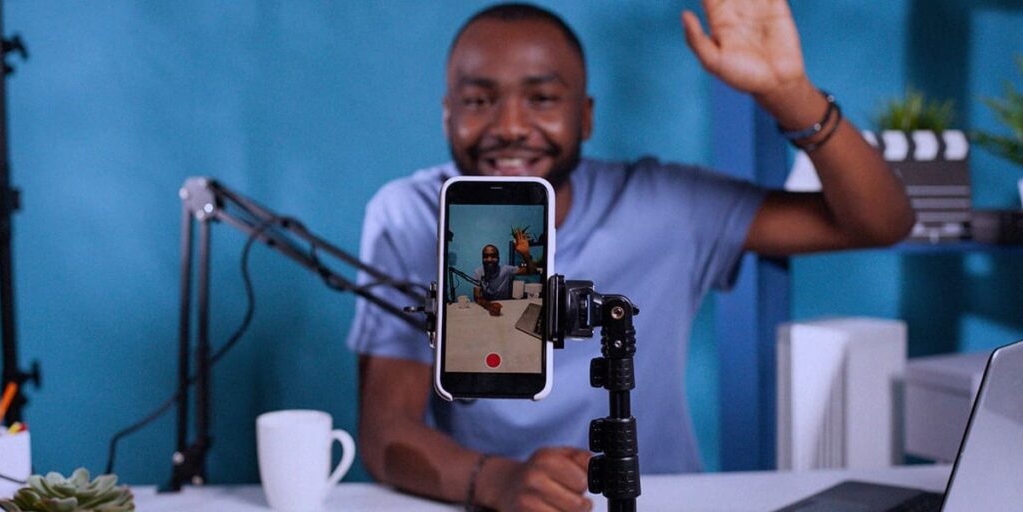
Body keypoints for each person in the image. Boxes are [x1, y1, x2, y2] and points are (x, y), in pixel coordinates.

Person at [347, 2, 914, 511]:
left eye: (542, 98)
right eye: (478, 100)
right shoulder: (411, 216)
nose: (511, 126)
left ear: (586, 116)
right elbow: (386, 430)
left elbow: (881, 222)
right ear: (448, 115)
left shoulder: (664, 204)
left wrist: (789, 94)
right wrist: (498, 482)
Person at [473, 229, 536, 315]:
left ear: (498, 259)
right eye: (485, 256)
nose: (489, 259)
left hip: (506, 308)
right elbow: (477, 297)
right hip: (486, 309)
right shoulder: (478, 272)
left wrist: (526, 255)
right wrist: (489, 305)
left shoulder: (506, 270)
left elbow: (531, 271)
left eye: (493, 256)